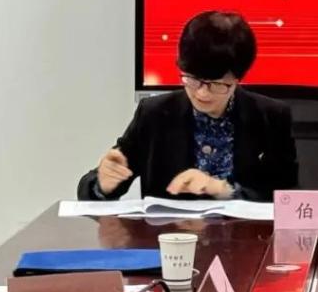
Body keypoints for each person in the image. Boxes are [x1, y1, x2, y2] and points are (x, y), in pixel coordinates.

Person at [77, 11, 298, 201]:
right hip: (169, 235)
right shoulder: (154, 113)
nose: (202, 93)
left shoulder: (270, 116)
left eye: (216, 84)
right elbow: (103, 181)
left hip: (245, 236)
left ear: (237, 79)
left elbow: (287, 197)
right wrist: (102, 184)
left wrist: (223, 190)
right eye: (192, 79)